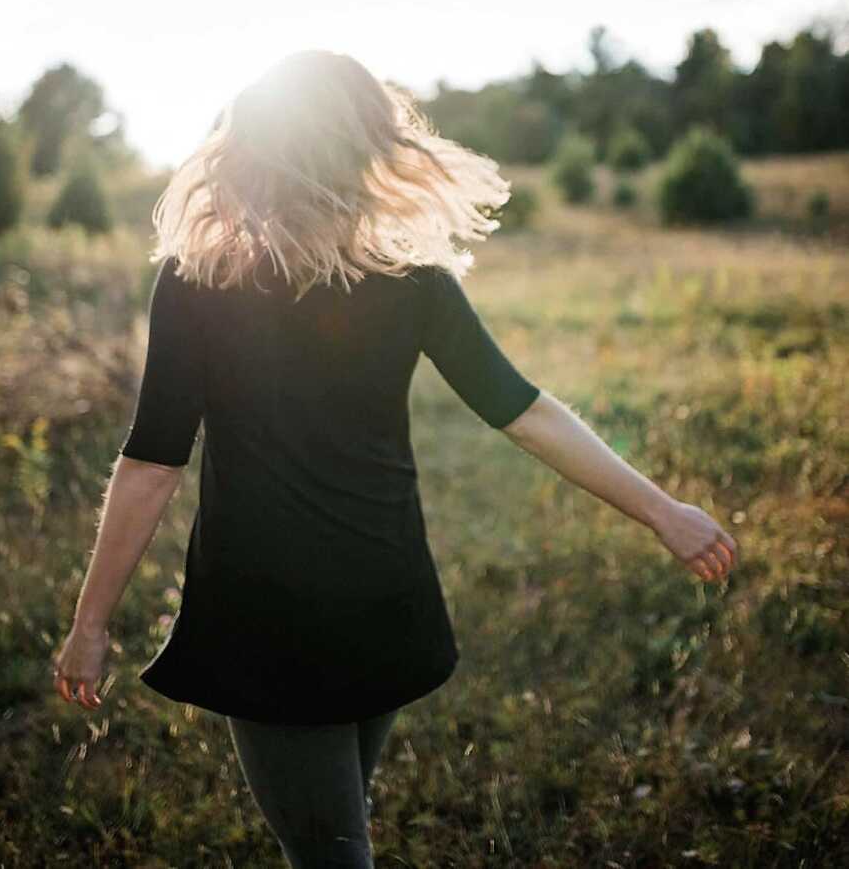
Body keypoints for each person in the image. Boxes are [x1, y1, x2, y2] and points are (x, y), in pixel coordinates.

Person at [51, 49, 738, 868]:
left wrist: (91, 624)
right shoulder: (412, 279)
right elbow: (524, 411)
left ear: (249, 145)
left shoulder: (198, 280)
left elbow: (154, 464)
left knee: (333, 849)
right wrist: (665, 512)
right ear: (366, 147)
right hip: (387, 588)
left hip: (269, 611)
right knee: (338, 830)